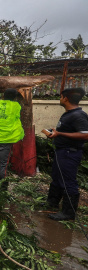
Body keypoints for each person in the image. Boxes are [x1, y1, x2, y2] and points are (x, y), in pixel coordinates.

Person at [45, 87, 88, 221]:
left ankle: (69, 213)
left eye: (61, 97)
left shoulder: (78, 115)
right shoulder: (69, 113)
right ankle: (52, 203)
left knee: (68, 182)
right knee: (57, 178)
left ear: (66, 99)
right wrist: (55, 134)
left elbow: (85, 135)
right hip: (62, 151)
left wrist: (60, 134)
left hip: (70, 153)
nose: (60, 99)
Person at [0, 82, 25, 188]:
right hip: (6, 142)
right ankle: (2, 190)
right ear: (15, 98)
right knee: (2, 166)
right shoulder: (16, 106)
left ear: (3, 96)